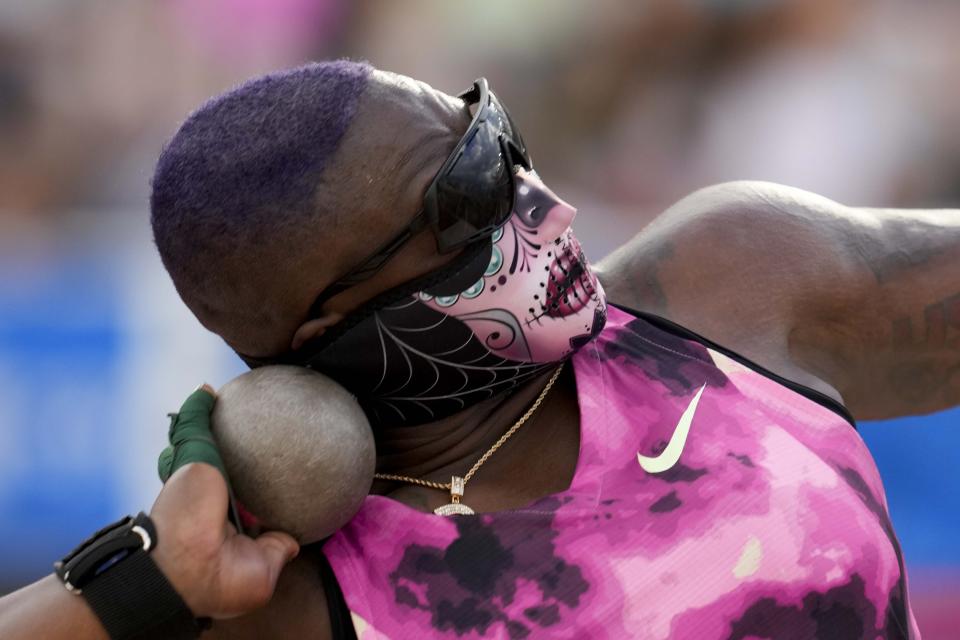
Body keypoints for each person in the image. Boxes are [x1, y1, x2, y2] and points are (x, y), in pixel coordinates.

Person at [2, 59, 957, 639]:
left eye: (498, 140)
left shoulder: (730, 286)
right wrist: (140, 582)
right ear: (330, 330)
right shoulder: (290, 598)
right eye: (466, 195)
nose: (546, 206)